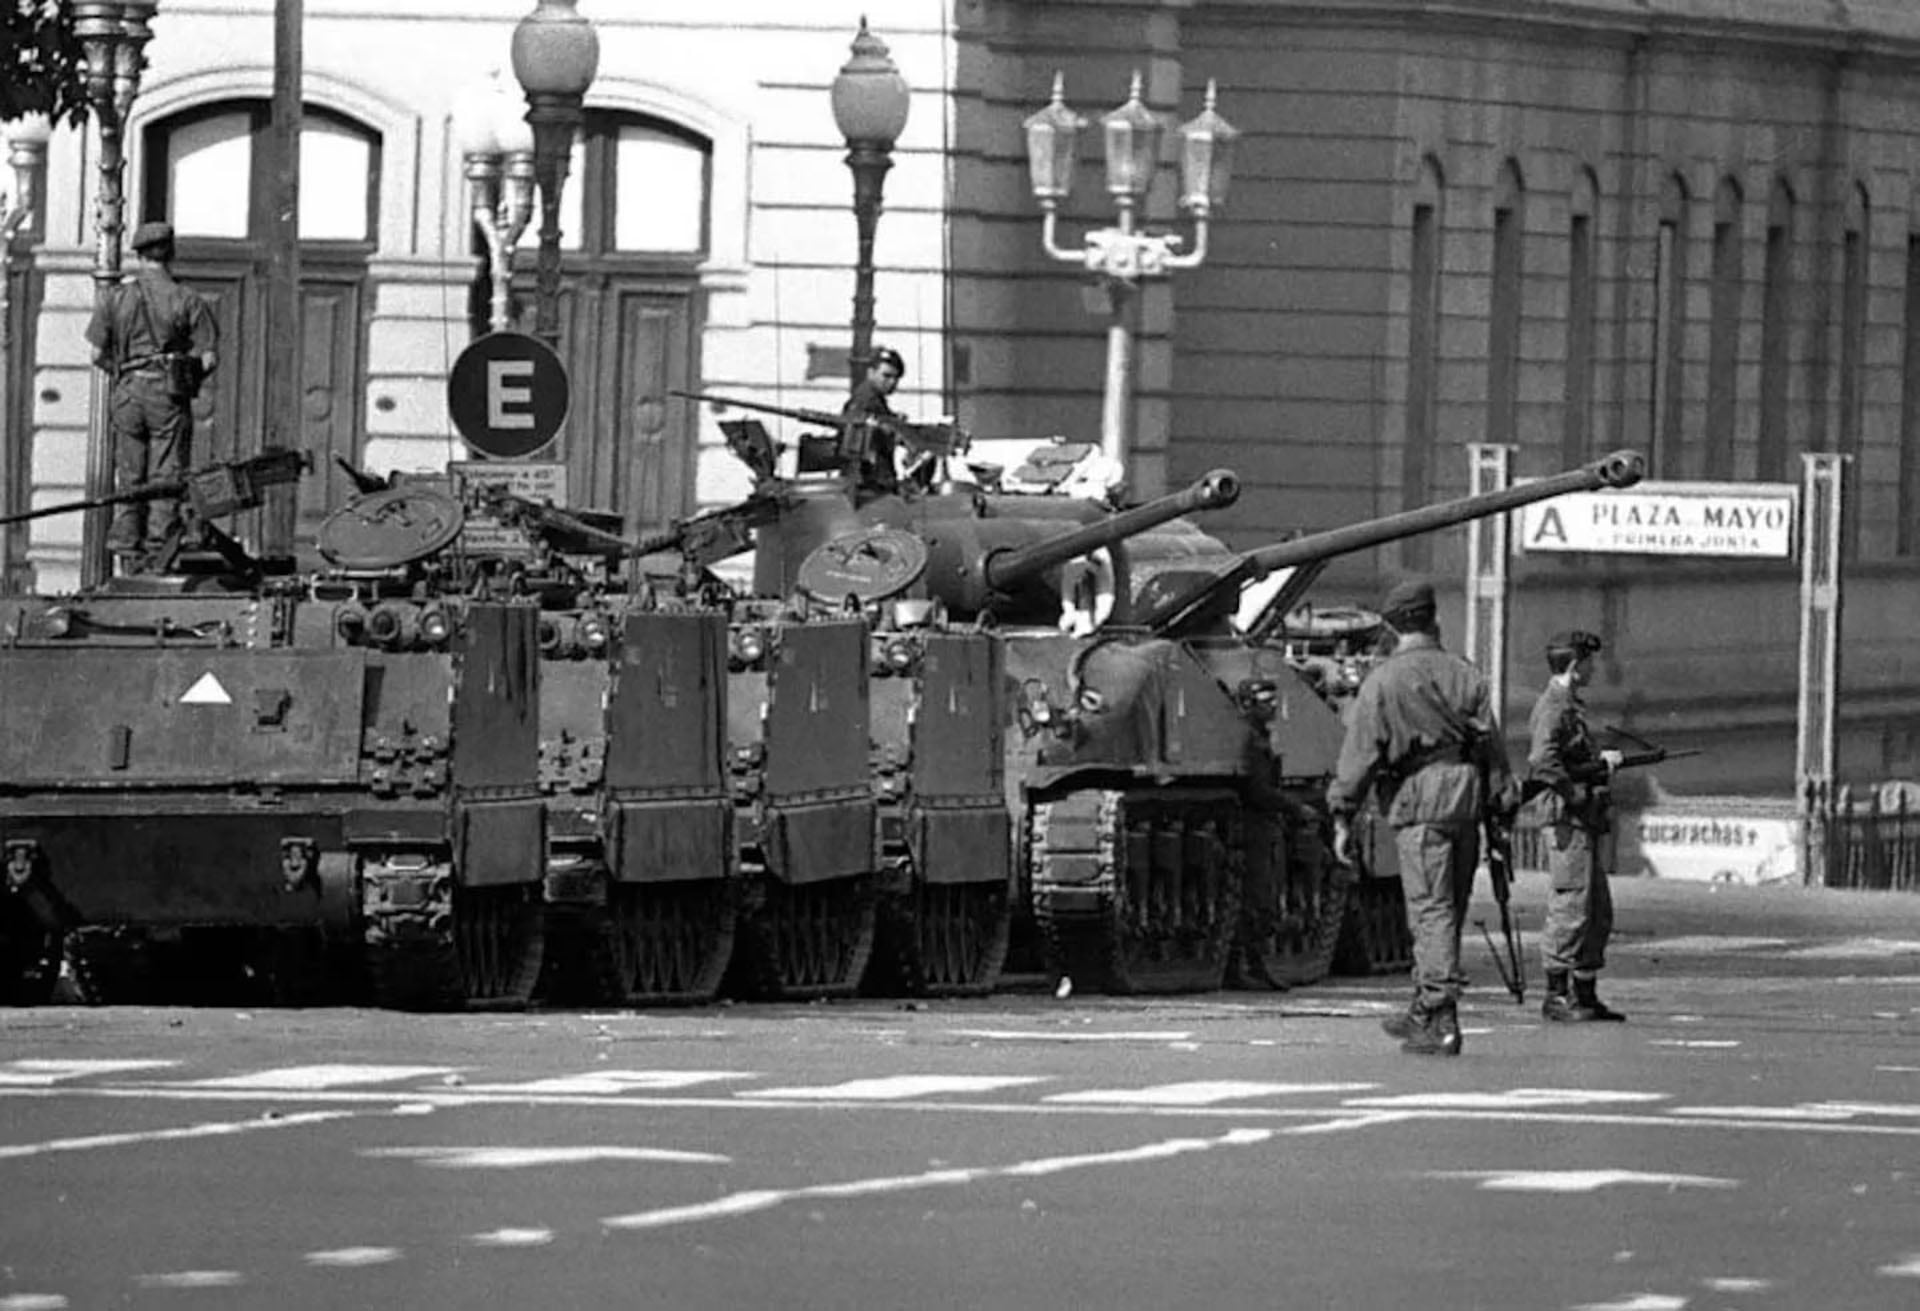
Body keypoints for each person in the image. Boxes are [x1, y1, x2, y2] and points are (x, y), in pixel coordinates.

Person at [1326, 579, 1517, 1056]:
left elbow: (1360, 755)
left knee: (1429, 909)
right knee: (1447, 908)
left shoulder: (1383, 681)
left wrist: (1342, 815)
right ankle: (1424, 1005)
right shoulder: (1465, 673)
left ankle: (1440, 1014)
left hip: (1419, 801)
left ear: (1391, 625)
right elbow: (1491, 746)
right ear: (1434, 619)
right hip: (1467, 798)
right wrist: (1501, 806)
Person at [84, 220, 219, 560]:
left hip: (128, 392)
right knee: (166, 474)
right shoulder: (187, 298)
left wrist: (125, 375)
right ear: (170, 254)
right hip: (167, 395)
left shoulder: (115, 298)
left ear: (139, 255)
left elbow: (98, 354)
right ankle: (159, 548)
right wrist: (185, 378)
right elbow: (209, 358)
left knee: (129, 474)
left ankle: (126, 548)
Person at [1528, 629, 1628, 1023]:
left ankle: (1584, 992)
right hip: (1567, 819)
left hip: (1580, 820)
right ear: (1574, 665)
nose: (1593, 669)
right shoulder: (1554, 707)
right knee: (1570, 905)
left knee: (1595, 909)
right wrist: (1576, 793)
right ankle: (1556, 994)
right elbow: (1543, 761)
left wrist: (1599, 764)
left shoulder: (1568, 706)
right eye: (1588, 662)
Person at [841, 345, 905, 498]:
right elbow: (858, 444)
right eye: (886, 376)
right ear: (871, 372)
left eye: (896, 378)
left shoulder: (874, 399)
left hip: (874, 482)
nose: (892, 382)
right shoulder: (865, 400)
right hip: (870, 484)